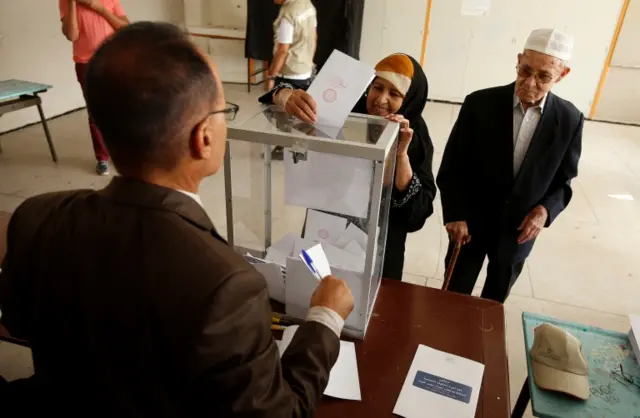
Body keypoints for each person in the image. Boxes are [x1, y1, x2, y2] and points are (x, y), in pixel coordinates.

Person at [0, 22, 354, 417]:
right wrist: (324, 320)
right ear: (203, 137)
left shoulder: (36, 217)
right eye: (224, 111)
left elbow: (18, 321)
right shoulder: (228, 287)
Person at [437, 28, 583, 303]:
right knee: (453, 297)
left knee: (493, 304)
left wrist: (544, 212)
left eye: (543, 77)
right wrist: (455, 214)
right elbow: (452, 166)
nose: (530, 83)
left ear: (562, 75)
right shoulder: (479, 104)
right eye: (525, 71)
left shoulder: (570, 120)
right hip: (470, 225)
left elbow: (564, 182)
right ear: (518, 60)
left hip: (518, 233)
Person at [261, 54, 437, 281]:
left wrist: (400, 155)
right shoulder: (348, 108)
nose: (380, 100)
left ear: (411, 99)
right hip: (324, 229)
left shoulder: (416, 136)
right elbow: (278, 96)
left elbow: (416, 216)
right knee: (310, 291)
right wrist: (286, 96)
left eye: (394, 94)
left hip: (378, 247)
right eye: (377, 87)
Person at [60, 0, 129, 176]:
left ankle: (123, 153)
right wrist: (73, 3)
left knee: (121, 108)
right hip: (86, 63)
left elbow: (125, 26)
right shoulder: (65, 2)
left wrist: (98, 7)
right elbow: (71, 35)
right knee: (96, 111)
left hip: (113, 59)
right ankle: (102, 158)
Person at [268, 0, 318, 160]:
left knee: (283, 113)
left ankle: (284, 147)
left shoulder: (288, 14)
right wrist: (308, 61)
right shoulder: (307, 5)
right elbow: (315, 37)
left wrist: (271, 75)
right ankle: (299, 148)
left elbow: (283, 50)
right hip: (305, 70)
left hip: (289, 73)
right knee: (302, 112)